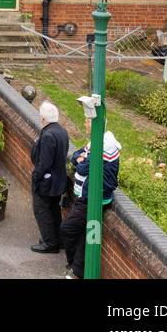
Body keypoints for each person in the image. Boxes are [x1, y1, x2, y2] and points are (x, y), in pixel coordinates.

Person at [60, 120, 121, 279]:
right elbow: (75, 157)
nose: (85, 124)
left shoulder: (104, 145)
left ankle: (74, 264)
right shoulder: (97, 141)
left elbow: (81, 167)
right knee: (83, 234)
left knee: (68, 228)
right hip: (88, 196)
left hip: (93, 199)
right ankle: (77, 270)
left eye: (87, 122)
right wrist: (81, 158)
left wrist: (82, 159)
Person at [30, 101, 70, 254]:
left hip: (46, 182)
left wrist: (36, 176)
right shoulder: (62, 131)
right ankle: (57, 239)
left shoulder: (47, 135)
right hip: (58, 180)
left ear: (44, 119)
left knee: (41, 210)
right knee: (53, 210)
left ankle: (49, 242)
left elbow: (44, 162)